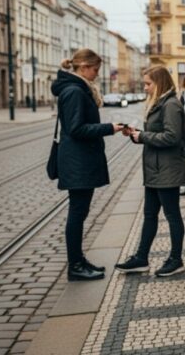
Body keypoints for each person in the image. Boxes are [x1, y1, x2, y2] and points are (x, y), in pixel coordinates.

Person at [51, 48, 124, 281]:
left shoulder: (76, 88)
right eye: (94, 69)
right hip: (78, 161)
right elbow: (76, 129)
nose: (96, 74)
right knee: (77, 213)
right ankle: (75, 266)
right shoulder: (74, 91)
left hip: (79, 159)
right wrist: (108, 128)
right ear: (83, 67)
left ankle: (79, 260)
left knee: (79, 212)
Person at [115, 66, 185, 277]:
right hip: (155, 169)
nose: (145, 88)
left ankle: (176, 260)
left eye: (148, 84)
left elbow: (172, 136)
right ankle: (141, 258)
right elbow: (157, 134)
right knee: (149, 215)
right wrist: (136, 134)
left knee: (172, 215)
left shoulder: (171, 105)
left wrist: (143, 136)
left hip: (167, 169)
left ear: (160, 83)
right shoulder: (160, 103)